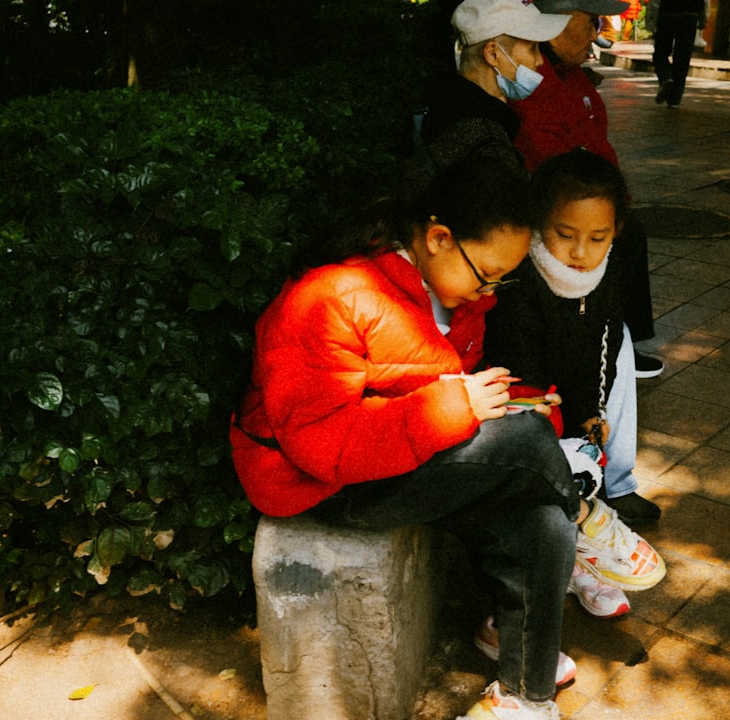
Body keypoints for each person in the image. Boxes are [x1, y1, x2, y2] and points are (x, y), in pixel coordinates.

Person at [231, 155, 652, 720]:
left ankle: (525, 697)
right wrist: (456, 407)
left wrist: (511, 400)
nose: (489, 293)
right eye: (486, 276)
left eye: (502, 279)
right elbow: (317, 442)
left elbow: (455, 387)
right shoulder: (334, 296)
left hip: (401, 460)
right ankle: (589, 523)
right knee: (526, 443)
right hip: (321, 483)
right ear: (438, 239)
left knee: (540, 517)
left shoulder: (457, 292)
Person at [485, 149, 668, 620]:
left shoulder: (607, 273)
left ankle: (581, 561)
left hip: (571, 397)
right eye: (565, 235)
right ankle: (563, 565)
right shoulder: (520, 279)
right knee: (547, 476)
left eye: (597, 237)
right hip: (528, 402)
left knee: (587, 464)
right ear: (539, 222)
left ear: (616, 233)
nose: (581, 252)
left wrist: (593, 409)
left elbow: (602, 347)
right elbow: (516, 365)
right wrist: (547, 420)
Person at [508, 0, 663, 382]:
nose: (596, 32)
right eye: (591, 22)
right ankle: (610, 344)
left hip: (593, 191)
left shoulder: (571, 72)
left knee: (624, 233)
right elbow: (546, 155)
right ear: (558, 23)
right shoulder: (536, 77)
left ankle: (622, 342)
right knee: (615, 239)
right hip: (566, 197)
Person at [403, 0, 570, 199]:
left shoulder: (451, 101)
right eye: (532, 48)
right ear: (493, 54)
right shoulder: (486, 138)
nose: (540, 60)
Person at [651, 0, 706, 107]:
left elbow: (655, 2)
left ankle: (665, 77)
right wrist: (703, 16)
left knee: (660, 52)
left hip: (667, 13)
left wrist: (652, 20)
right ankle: (674, 99)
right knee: (683, 56)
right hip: (691, 14)